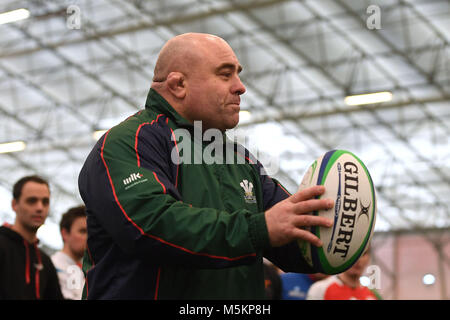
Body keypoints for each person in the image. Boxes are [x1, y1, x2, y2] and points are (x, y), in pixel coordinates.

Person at [78, 32, 334, 299]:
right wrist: (259, 229)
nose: (240, 87)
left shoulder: (241, 161)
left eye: (238, 74)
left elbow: (294, 237)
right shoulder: (127, 143)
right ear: (178, 85)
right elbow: (150, 226)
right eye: (225, 74)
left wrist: (330, 235)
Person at [0, 175, 63, 300]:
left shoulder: (44, 261)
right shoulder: (2, 246)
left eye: (45, 202)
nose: (40, 208)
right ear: (14, 204)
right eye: (32, 201)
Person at [306, 248, 381, 300]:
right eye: (353, 253)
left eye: (363, 254)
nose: (358, 259)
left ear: (369, 258)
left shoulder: (373, 295)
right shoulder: (320, 288)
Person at [51, 205, 87, 300]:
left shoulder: (82, 271)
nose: (88, 238)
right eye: (83, 231)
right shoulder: (54, 266)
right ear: (65, 234)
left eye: (90, 233)